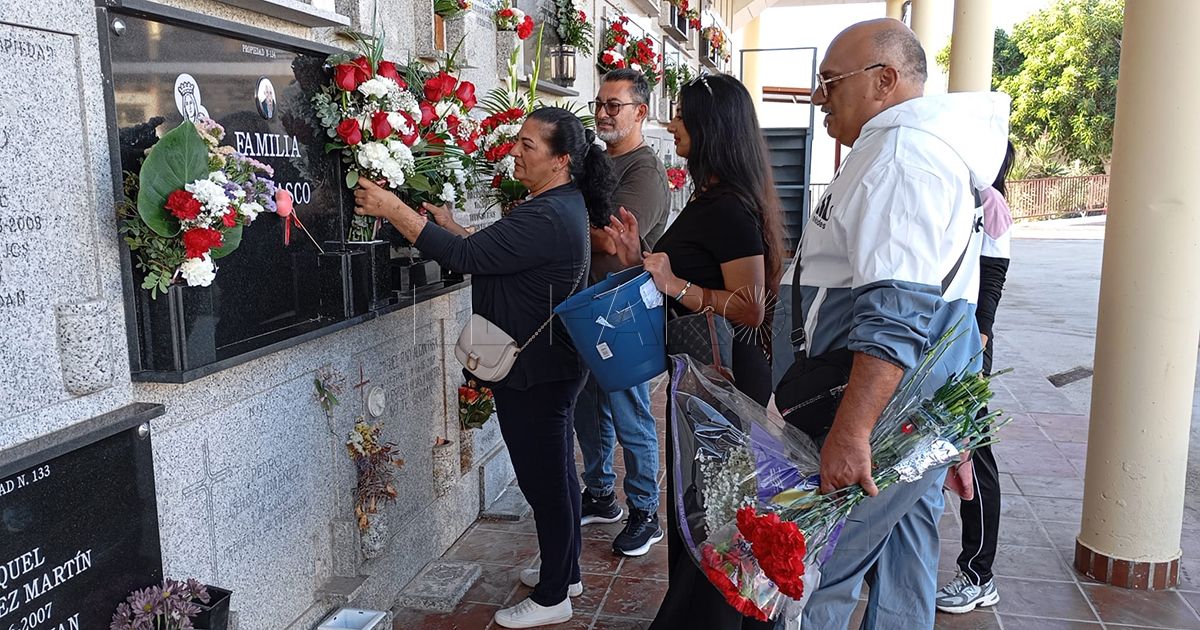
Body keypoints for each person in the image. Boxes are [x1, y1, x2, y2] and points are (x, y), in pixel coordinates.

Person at [775, 19, 1009, 629]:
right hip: (914, 402)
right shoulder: (907, 149)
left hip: (884, 409)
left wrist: (852, 434)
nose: (819, 96)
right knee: (906, 547)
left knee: (824, 563)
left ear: (884, 81)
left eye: (830, 81)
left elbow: (895, 314)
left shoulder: (903, 157)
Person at [353, 107, 616, 629]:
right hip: (547, 365)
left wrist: (393, 208)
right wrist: (453, 226)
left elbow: (466, 257)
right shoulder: (557, 204)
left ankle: (553, 598)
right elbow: (492, 251)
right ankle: (564, 571)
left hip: (535, 371)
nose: (515, 151)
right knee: (557, 474)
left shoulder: (549, 214)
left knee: (545, 483)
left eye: (528, 146)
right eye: (517, 141)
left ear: (561, 160)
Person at [606, 72, 785, 630]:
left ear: (711, 126)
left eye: (681, 114)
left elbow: (751, 307)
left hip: (725, 382)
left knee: (714, 515)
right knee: (702, 510)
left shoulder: (729, 205)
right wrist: (641, 257)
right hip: (704, 377)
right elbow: (690, 272)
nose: (672, 122)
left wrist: (673, 284)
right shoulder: (712, 196)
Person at [567, 68, 672, 558]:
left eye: (615, 105)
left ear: (640, 112)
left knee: (631, 412)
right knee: (589, 407)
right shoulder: (595, 159)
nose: (604, 113)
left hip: (624, 309)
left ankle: (646, 512)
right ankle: (601, 493)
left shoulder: (644, 172)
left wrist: (560, 216)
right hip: (589, 305)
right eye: (600, 104)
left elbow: (612, 241)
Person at [936, 140, 1016, 615]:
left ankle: (978, 574)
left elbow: (992, 283)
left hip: (967, 350)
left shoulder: (991, 205)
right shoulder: (957, 192)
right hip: (939, 345)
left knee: (974, 454)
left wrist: (975, 347)